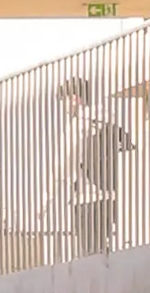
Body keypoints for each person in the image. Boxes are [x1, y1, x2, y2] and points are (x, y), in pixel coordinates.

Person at [49, 77, 132, 257]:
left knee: (90, 255)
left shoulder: (77, 125)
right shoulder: (109, 118)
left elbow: (62, 166)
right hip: (112, 197)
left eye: (63, 100)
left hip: (86, 198)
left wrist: (47, 198)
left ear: (74, 99)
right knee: (109, 252)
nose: (63, 107)